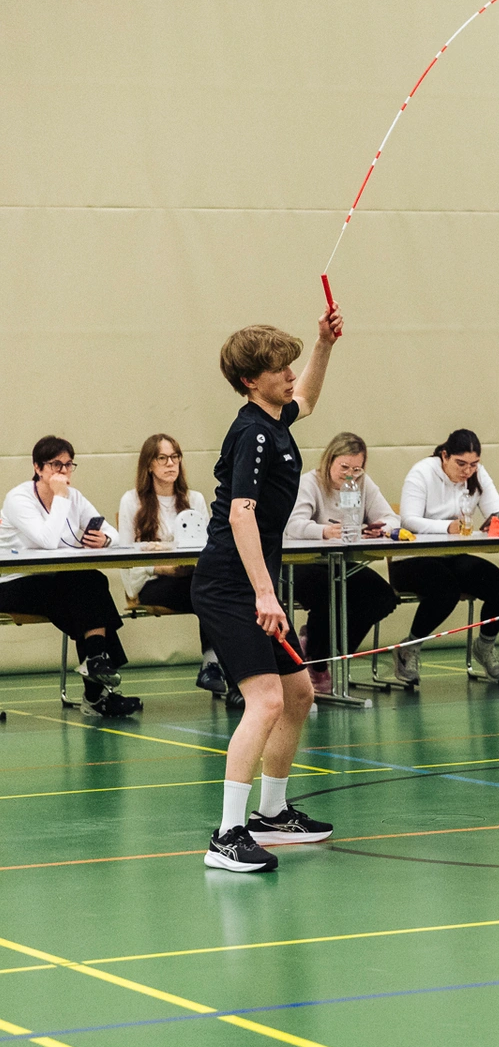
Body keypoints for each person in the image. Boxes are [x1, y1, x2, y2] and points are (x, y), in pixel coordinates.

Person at [194, 311, 343, 872]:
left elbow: (307, 396)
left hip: (252, 584)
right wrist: (265, 593)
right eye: (278, 368)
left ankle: (272, 815)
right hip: (230, 586)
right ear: (250, 381)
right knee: (266, 700)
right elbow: (240, 515)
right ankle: (227, 835)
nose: (289, 375)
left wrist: (325, 344)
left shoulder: (277, 417)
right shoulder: (253, 433)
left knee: (299, 694)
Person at [0, 437, 141, 717]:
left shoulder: (74, 497)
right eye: (55, 465)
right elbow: (48, 541)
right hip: (11, 581)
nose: (63, 472)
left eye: (68, 465)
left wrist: (104, 540)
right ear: (38, 468)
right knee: (86, 586)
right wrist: (61, 497)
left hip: (52, 582)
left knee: (88, 584)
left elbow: (112, 531)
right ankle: (97, 690)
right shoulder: (19, 498)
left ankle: (96, 662)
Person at [285, 432, 401, 694]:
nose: (350, 475)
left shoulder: (362, 483)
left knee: (383, 597)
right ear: (330, 461)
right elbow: (293, 525)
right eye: (344, 468)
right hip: (304, 563)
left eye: (357, 469)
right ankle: (318, 660)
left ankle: (319, 649)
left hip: (343, 562)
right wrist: (324, 531)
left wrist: (380, 529)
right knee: (330, 595)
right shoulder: (309, 483)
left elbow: (392, 518)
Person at [393, 430, 499, 683]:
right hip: (414, 558)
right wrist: (447, 527)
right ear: (445, 455)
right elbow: (408, 520)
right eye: (461, 464)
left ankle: (484, 647)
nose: (467, 471)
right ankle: (409, 647)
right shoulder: (422, 472)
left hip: (453, 556)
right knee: (445, 588)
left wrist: (498, 521)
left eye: (473, 464)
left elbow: (498, 513)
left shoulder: (477, 474)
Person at [117, 433, 224, 696]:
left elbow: (208, 549)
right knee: (211, 593)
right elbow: (125, 561)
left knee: (217, 588)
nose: (170, 464)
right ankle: (214, 664)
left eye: (175, 457)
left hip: (192, 578)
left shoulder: (194, 499)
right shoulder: (132, 501)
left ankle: (220, 669)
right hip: (151, 582)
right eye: (162, 458)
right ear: (149, 465)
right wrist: (162, 567)